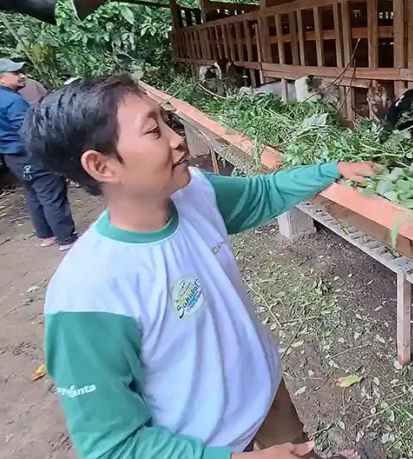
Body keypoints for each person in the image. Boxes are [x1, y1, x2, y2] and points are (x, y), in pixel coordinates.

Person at [23, 74, 376, 459]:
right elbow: (113, 447)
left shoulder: (196, 193)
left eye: (167, 121)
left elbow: (264, 193)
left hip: (264, 394)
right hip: (204, 444)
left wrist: (333, 170)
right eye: (153, 131)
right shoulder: (87, 294)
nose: (176, 138)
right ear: (102, 166)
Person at [0, 57, 77, 250]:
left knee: (34, 194)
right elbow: (26, 129)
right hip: (28, 153)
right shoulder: (12, 100)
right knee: (51, 192)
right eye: (16, 73)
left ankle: (46, 236)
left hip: (13, 157)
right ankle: (66, 238)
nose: (22, 76)